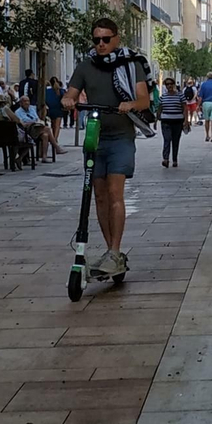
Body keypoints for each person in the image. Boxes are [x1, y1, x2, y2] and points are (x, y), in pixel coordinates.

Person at [63, 17, 151, 279]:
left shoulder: (130, 65)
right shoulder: (85, 66)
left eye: (106, 39)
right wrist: (68, 99)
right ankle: (111, 252)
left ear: (116, 38)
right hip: (95, 136)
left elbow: (144, 98)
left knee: (115, 192)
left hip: (121, 136)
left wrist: (131, 104)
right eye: (96, 40)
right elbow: (71, 91)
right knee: (98, 195)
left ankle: (115, 250)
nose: (101, 44)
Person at [159, 77, 186, 167]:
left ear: (174, 85)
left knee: (175, 140)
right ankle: (165, 159)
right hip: (166, 121)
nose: (169, 85)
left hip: (178, 121)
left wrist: (186, 120)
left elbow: (184, 108)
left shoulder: (180, 95)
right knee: (167, 139)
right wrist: (156, 120)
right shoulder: (163, 97)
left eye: (171, 84)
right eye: (167, 84)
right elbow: (160, 108)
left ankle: (174, 159)